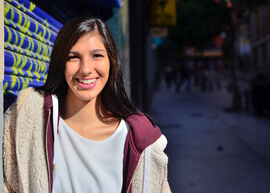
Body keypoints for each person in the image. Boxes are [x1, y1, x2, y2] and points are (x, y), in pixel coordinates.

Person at [3, 17, 171, 193]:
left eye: (96, 55)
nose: (85, 69)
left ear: (111, 62)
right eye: (73, 57)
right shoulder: (29, 117)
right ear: (61, 64)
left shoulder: (139, 139)